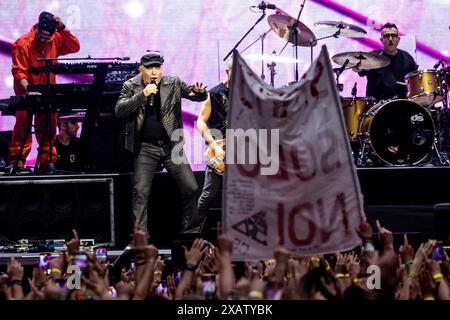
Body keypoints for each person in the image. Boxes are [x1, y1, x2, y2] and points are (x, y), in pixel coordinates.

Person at [115, 52, 208, 235]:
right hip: (145, 147)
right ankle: (140, 238)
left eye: (158, 67)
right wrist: (143, 94)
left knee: (191, 187)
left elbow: (193, 94)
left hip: (171, 145)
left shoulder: (172, 83)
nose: (155, 72)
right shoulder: (130, 85)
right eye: (150, 68)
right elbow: (119, 110)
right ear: (141, 69)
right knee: (140, 192)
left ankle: (190, 233)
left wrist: (200, 93)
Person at [9, 11, 80, 172]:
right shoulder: (22, 44)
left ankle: (46, 160)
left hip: (47, 91)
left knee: (49, 125)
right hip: (25, 91)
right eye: (41, 36)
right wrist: (28, 90)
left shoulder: (55, 39)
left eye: (48, 37)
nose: (44, 40)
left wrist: (63, 28)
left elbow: (75, 46)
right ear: (37, 28)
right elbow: (19, 72)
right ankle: (17, 162)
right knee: (22, 125)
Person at [194, 63, 231, 233]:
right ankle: (193, 229)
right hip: (219, 151)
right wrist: (214, 144)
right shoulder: (215, 93)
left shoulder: (245, 94)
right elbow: (201, 121)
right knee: (209, 194)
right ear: (228, 72)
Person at [355, 22, 418, 101]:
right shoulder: (372, 57)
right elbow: (361, 71)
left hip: (402, 103)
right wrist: (357, 67)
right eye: (387, 36)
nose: (390, 39)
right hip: (377, 105)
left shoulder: (407, 58)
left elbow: (415, 81)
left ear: (398, 39)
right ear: (381, 40)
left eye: (393, 35)